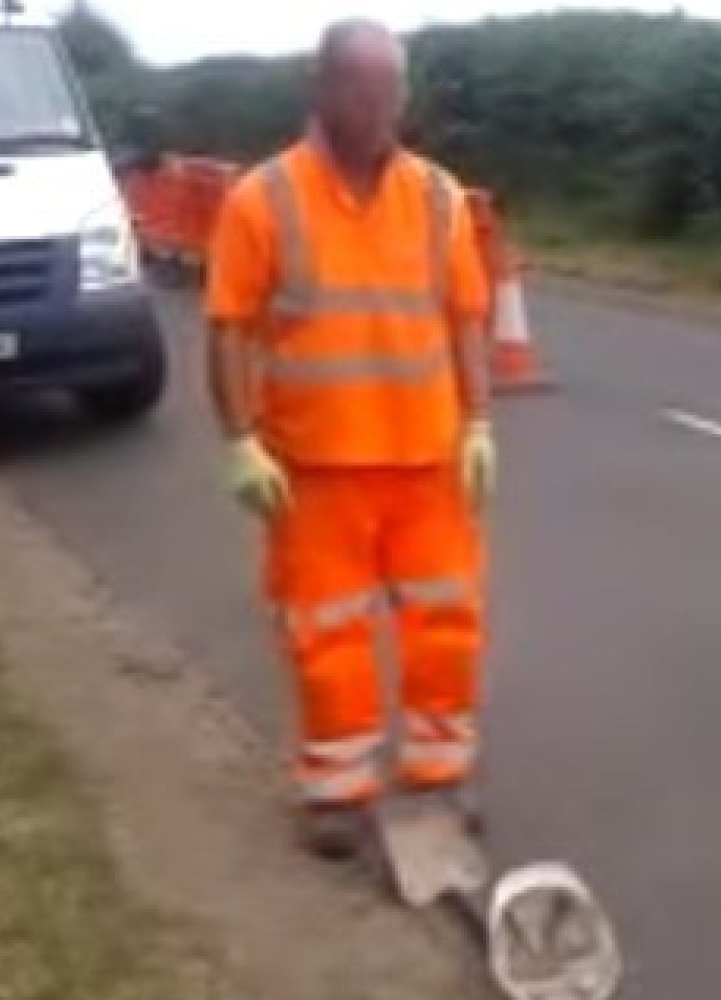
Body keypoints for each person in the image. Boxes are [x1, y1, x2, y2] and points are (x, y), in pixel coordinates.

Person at [203, 18, 497, 857]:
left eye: (393, 91)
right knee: (326, 635)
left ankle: (442, 774)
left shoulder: (438, 196)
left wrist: (479, 421)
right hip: (315, 470)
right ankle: (338, 793)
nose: (380, 108)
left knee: (447, 625)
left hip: (428, 464)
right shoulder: (264, 199)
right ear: (321, 89)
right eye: (362, 89)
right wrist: (238, 439)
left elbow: (467, 318)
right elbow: (227, 327)